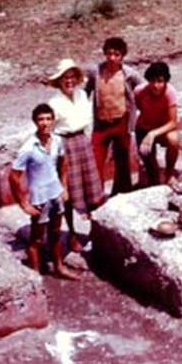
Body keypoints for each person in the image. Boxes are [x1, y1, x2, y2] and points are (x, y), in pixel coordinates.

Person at [8, 103, 79, 280]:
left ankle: (59, 267)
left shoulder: (57, 141)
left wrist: (64, 187)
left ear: (53, 121)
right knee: (36, 239)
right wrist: (24, 203)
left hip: (56, 194)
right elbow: (14, 177)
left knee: (55, 233)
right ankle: (35, 277)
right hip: (40, 198)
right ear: (35, 122)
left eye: (48, 119)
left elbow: (63, 164)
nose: (45, 123)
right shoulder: (28, 148)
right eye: (41, 119)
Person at [46, 58, 104, 252]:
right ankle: (71, 234)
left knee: (91, 189)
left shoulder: (81, 95)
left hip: (82, 142)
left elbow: (87, 120)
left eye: (72, 77)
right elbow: (50, 131)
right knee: (69, 192)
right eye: (65, 78)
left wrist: (87, 141)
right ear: (59, 81)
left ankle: (97, 231)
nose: (69, 81)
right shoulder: (53, 103)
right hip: (65, 145)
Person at [84, 37, 144, 197]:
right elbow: (85, 93)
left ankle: (122, 194)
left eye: (116, 54)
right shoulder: (96, 72)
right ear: (104, 54)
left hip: (121, 122)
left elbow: (143, 90)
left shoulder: (129, 74)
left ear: (122, 56)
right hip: (101, 123)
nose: (112, 57)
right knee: (95, 159)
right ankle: (96, 197)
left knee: (122, 159)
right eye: (109, 53)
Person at [133, 61, 182, 192]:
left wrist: (153, 133)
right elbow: (139, 108)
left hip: (162, 129)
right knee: (149, 161)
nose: (156, 85)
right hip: (144, 128)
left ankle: (169, 175)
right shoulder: (139, 91)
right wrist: (147, 132)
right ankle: (154, 187)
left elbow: (173, 122)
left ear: (166, 81)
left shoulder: (170, 92)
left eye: (160, 81)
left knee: (174, 140)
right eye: (152, 81)